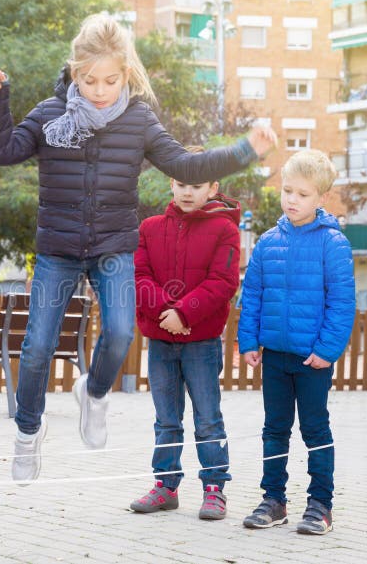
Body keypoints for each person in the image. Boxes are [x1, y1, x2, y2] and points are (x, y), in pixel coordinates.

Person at [0, 13, 277, 483]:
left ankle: (93, 393)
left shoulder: (138, 120)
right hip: (57, 247)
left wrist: (245, 152)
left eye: (110, 80)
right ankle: (28, 432)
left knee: (120, 333)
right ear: (75, 73)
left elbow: (185, 164)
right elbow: (3, 152)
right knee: (37, 346)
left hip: (114, 245)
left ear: (126, 74)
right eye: (90, 80)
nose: (99, 89)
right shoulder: (50, 115)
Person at [238, 149, 355, 535]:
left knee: (315, 430)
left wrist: (327, 350)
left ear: (321, 197)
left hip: (312, 360)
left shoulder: (333, 244)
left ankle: (321, 504)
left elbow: (341, 302)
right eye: (288, 190)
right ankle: (274, 500)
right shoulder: (268, 242)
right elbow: (252, 293)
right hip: (274, 355)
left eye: (303, 194)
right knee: (274, 429)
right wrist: (249, 341)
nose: (292, 199)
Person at [129, 148, 240, 519]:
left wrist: (184, 312)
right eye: (181, 184)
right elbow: (139, 276)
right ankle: (165, 486)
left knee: (208, 417)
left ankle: (214, 488)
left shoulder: (225, 229)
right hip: (161, 341)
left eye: (196, 185)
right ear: (171, 183)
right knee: (166, 418)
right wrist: (166, 313)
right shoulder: (149, 229)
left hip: (201, 343)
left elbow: (222, 281)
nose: (187, 192)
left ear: (212, 187)